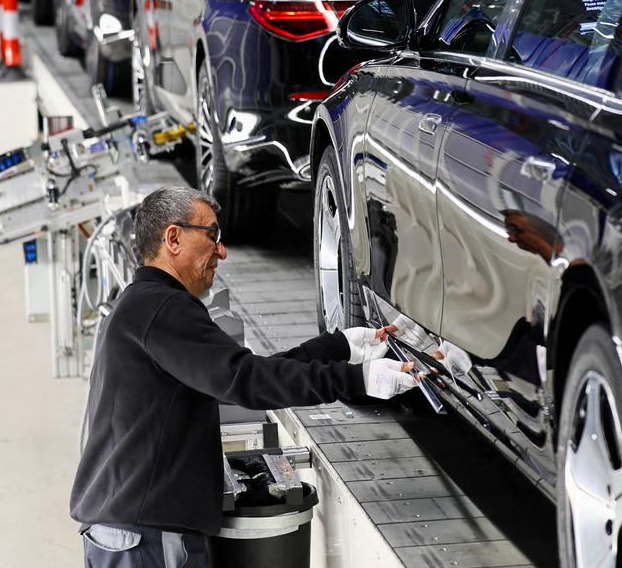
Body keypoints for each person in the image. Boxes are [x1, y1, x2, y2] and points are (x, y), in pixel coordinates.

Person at [70, 186, 419, 567]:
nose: (221, 251)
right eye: (212, 236)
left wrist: (340, 347)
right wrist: (358, 380)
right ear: (174, 238)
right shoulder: (162, 308)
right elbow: (247, 380)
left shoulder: (143, 305)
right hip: (147, 536)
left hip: (132, 527)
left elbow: (243, 370)